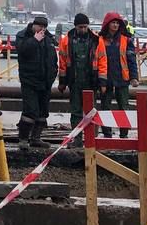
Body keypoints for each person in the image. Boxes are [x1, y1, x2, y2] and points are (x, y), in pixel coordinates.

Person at [15, 14, 58, 148]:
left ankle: (36, 138)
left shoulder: (48, 38)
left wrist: (53, 73)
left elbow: (52, 59)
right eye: (40, 26)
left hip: (45, 81)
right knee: (30, 111)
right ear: (34, 25)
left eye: (44, 27)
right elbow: (22, 52)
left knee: (42, 112)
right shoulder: (23, 36)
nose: (42, 29)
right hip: (29, 81)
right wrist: (34, 40)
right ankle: (23, 139)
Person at [94, 11, 138, 138]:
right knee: (105, 107)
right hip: (105, 79)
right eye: (113, 23)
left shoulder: (126, 40)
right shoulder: (100, 40)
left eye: (117, 23)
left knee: (124, 107)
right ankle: (107, 133)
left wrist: (134, 77)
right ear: (107, 24)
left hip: (122, 79)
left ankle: (124, 134)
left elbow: (131, 60)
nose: (115, 25)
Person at [60, 13, 99, 145]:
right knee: (76, 111)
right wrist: (62, 82)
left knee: (91, 111)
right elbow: (63, 62)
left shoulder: (96, 40)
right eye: (80, 27)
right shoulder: (67, 40)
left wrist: (101, 81)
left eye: (85, 27)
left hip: (91, 81)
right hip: (75, 81)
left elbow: (102, 61)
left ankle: (92, 138)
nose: (83, 29)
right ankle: (76, 138)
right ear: (75, 26)